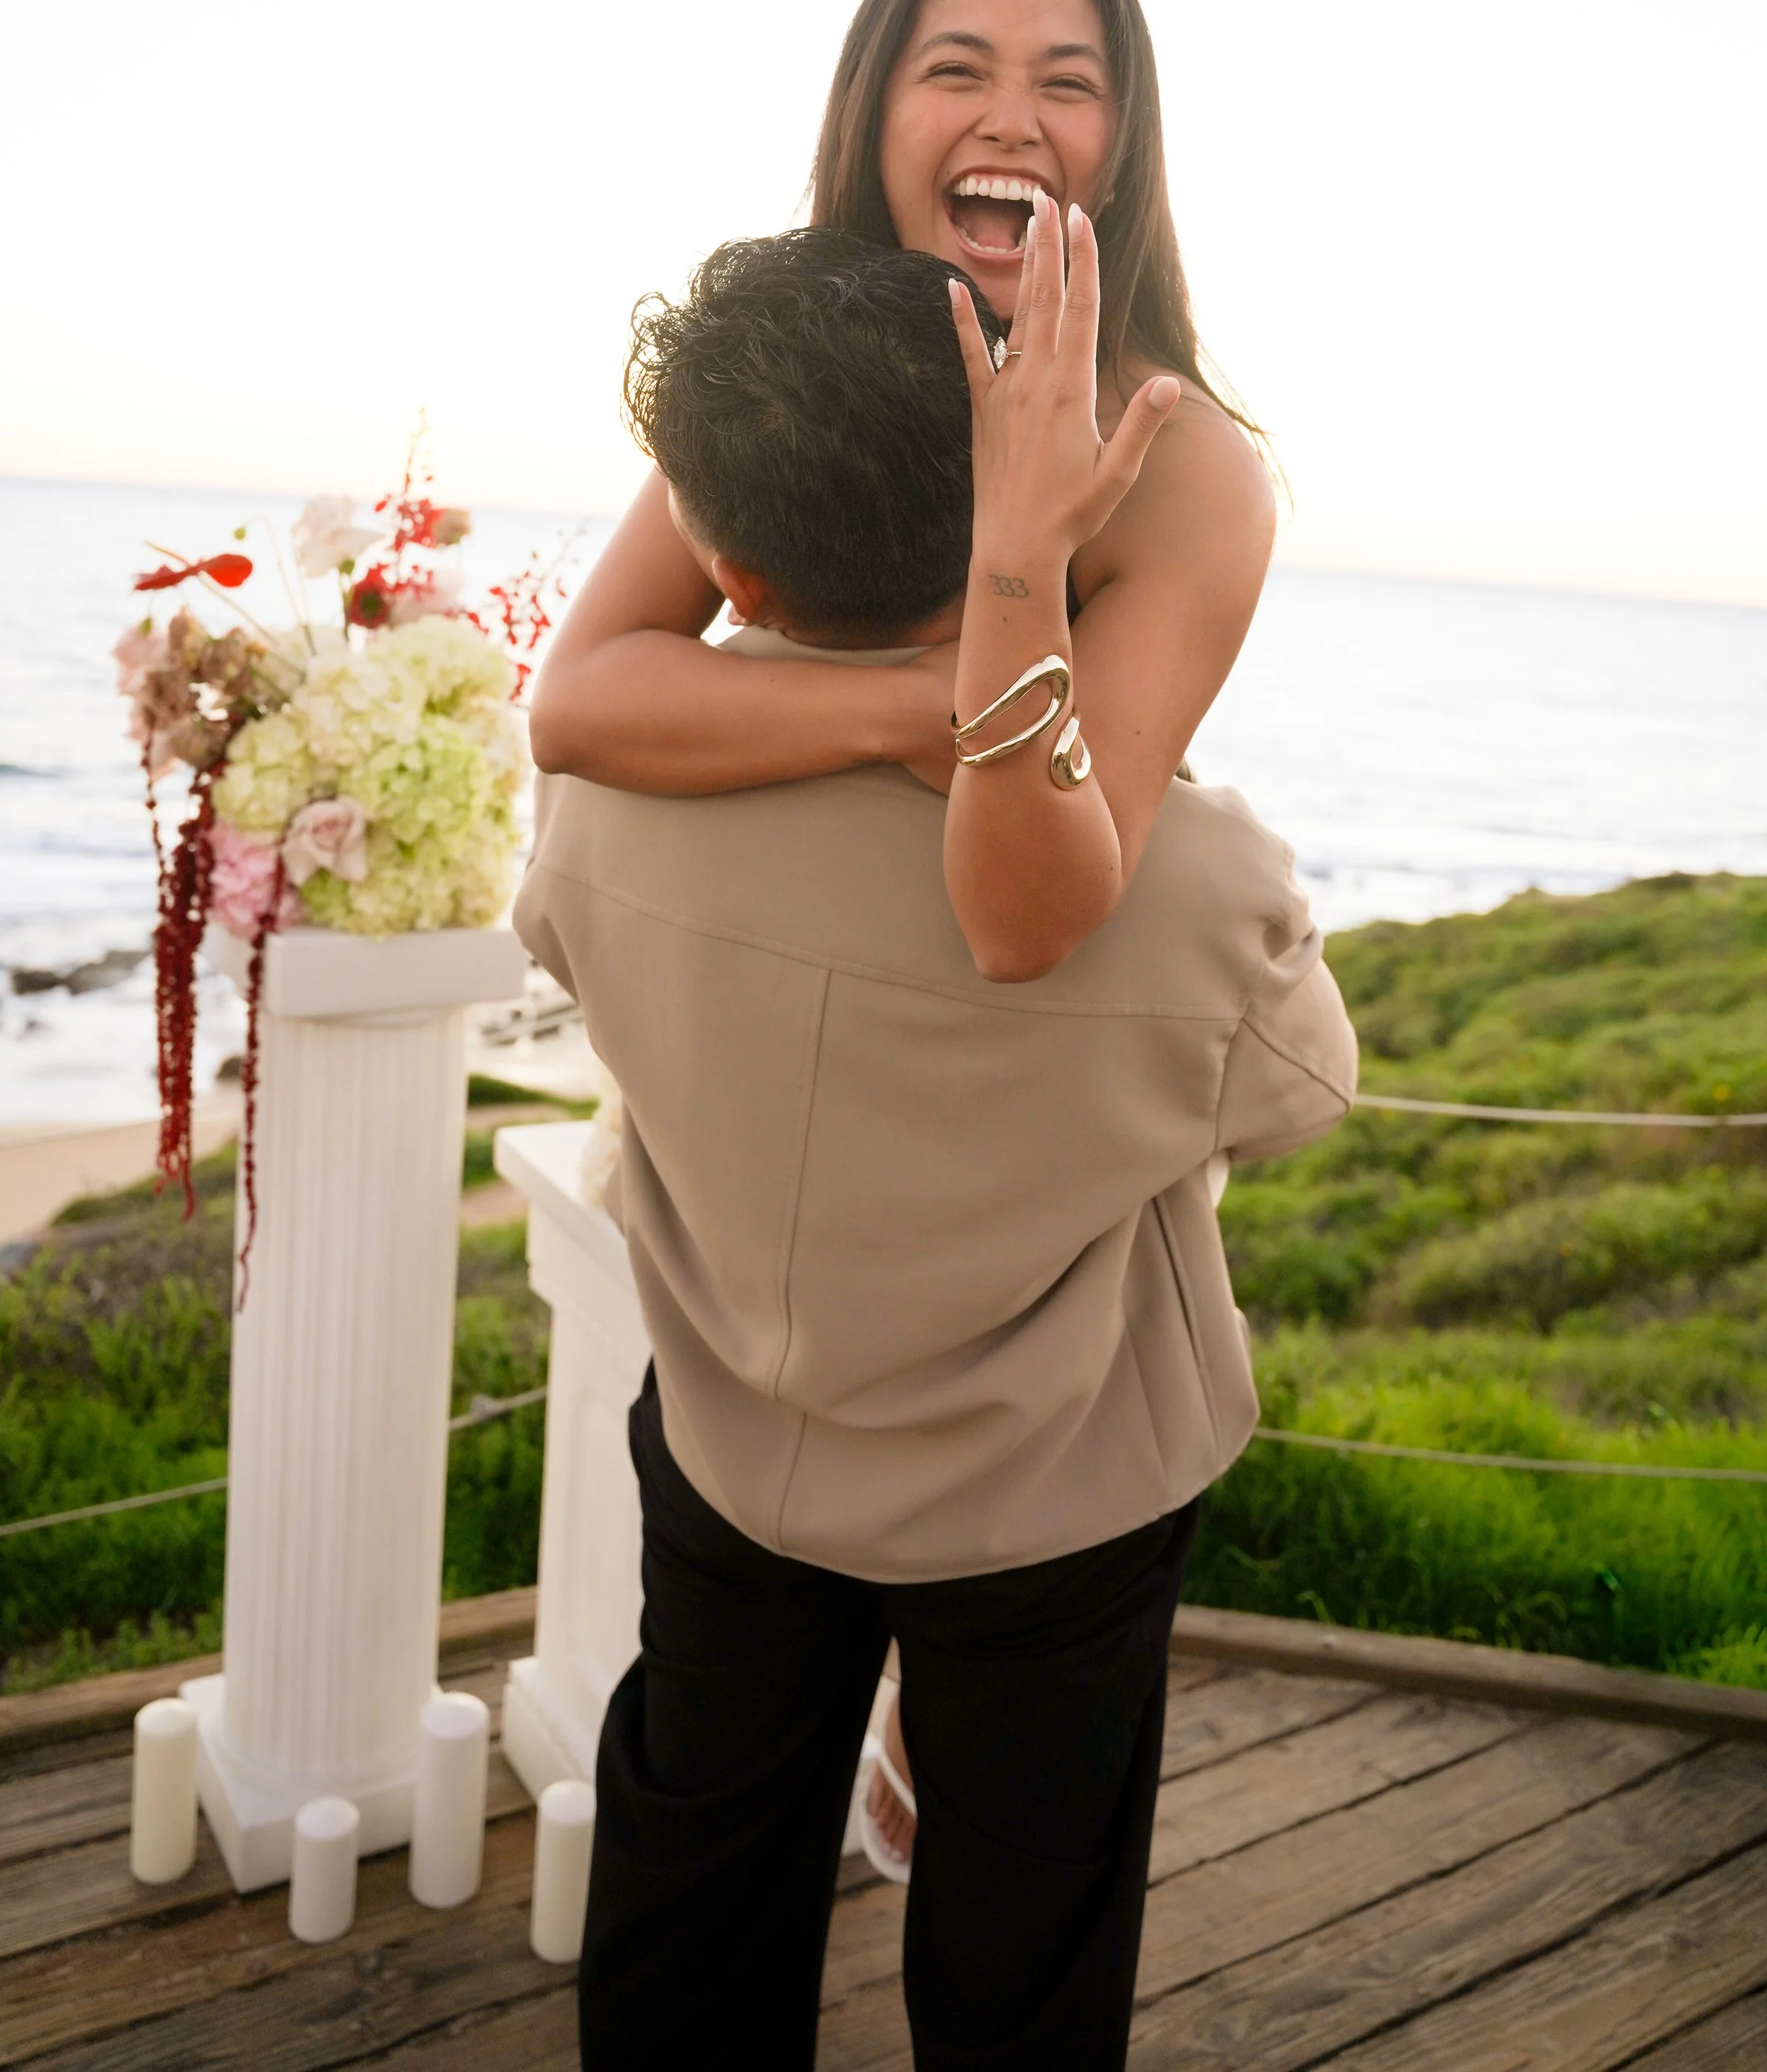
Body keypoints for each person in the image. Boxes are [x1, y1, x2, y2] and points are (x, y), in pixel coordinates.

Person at [515, 230, 1356, 2070]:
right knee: (1023, 1928)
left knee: (695, 1854)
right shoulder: (1186, 876)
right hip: (1048, 1478)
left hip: (738, 1428)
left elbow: (569, 945)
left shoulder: (601, 811)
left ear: (726, 562)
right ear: (1023, 520)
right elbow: (1297, 1083)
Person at [528, 0, 1278, 990]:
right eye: (957, 70)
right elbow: (578, 700)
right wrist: (930, 702)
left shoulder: (1185, 465)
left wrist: (1017, 557)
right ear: (871, 120)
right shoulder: (793, 370)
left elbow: (1027, 922)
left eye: (1068, 86)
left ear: (1120, 156)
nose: (1012, 121)